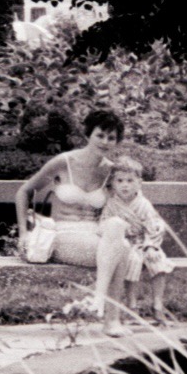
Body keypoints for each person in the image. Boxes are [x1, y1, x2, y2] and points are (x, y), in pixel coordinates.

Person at [15, 109, 143, 337]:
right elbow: (24, 191)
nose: (105, 142)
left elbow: (131, 198)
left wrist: (140, 224)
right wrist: (24, 233)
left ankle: (98, 300)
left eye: (111, 138)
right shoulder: (64, 162)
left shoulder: (111, 171)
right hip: (63, 234)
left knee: (116, 226)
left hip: (96, 234)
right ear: (88, 134)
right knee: (121, 249)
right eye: (100, 135)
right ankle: (110, 320)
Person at [103, 156, 176, 324]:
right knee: (132, 262)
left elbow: (153, 225)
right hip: (125, 245)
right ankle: (131, 306)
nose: (125, 185)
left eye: (130, 180)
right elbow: (105, 225)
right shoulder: (111, 205)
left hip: (144, 242)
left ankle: (157, 306)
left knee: (159, 263)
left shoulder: (143, 204)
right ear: (113, 183)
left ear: (139, 183)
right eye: (120, 180)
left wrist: (151, 246)